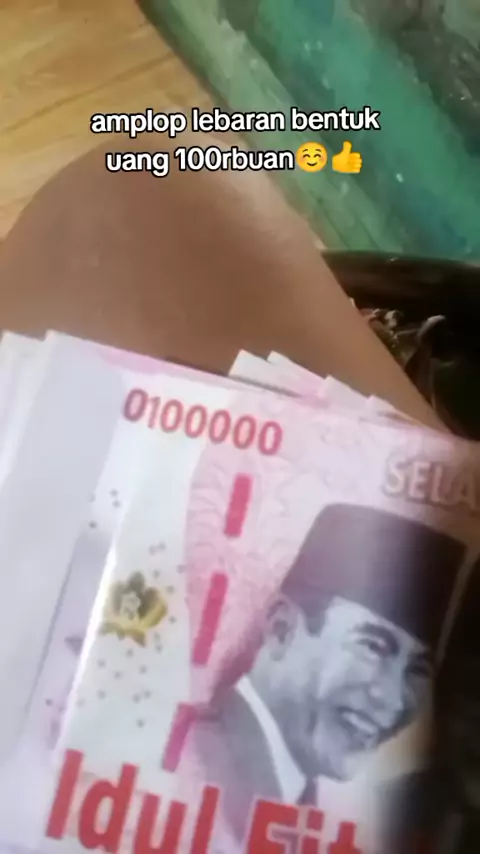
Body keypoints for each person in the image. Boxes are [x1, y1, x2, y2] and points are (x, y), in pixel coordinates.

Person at [191, 503, 464, 842]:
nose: (393, 701)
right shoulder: (196, 760)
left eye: (418, 670)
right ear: (281, 628)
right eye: (373, 647)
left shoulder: (297, 795)